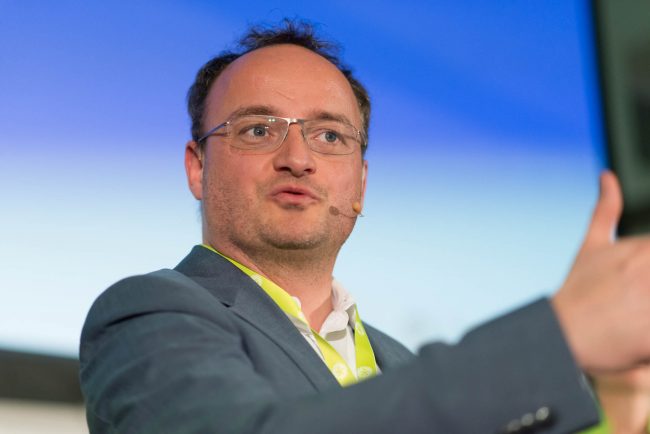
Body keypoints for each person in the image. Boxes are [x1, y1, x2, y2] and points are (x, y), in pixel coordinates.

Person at [79, 20, 650, 433]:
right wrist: (557, 337)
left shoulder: (399, 363)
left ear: (361, 182)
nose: (298, 158)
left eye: (330, 136)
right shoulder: (144, 314)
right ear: (197, 167)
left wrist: (622, 406)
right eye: (258, 130)